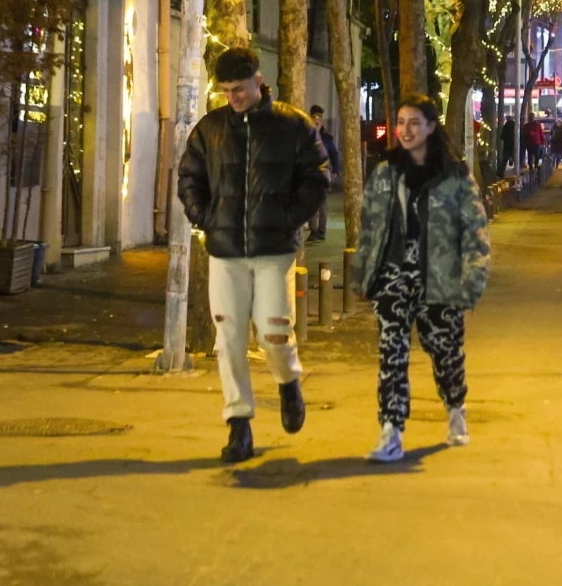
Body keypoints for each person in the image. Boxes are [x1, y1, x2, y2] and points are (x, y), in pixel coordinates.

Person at [176, 47, 328, 464]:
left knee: (274, 332)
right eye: (226, 90)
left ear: (259, 81)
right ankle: (238, 425)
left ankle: (287, 381)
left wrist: (288, 218)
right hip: (225, 250)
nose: (233, 97)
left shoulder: (293, 126)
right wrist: (206, 217)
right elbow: (188, 176)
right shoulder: (210, 129)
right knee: (228, 339)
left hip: (274, 249)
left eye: (239, 89)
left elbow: (317, 175)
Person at [351, 95, 491, 463]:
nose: (405, 130)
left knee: (444, 352)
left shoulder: (453, 175)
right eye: (400, 122)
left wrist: (471, 282)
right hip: (394, 277)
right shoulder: (385, 172)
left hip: (440, 279)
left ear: (431, 126)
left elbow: (475, 232)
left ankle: (455, 405)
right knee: (391, 354)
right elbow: (370, 227)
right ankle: (391, 430)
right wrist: (364, 275)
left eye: (414, 122)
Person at [307, 105, 341, 243]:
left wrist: (336, 170)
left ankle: (321, 231)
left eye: (319, 117)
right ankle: (313, 231)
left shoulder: (327, 138)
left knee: (322, 203)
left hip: (323, 173)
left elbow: (334, 154)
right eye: (315, 117)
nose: (317, 120)